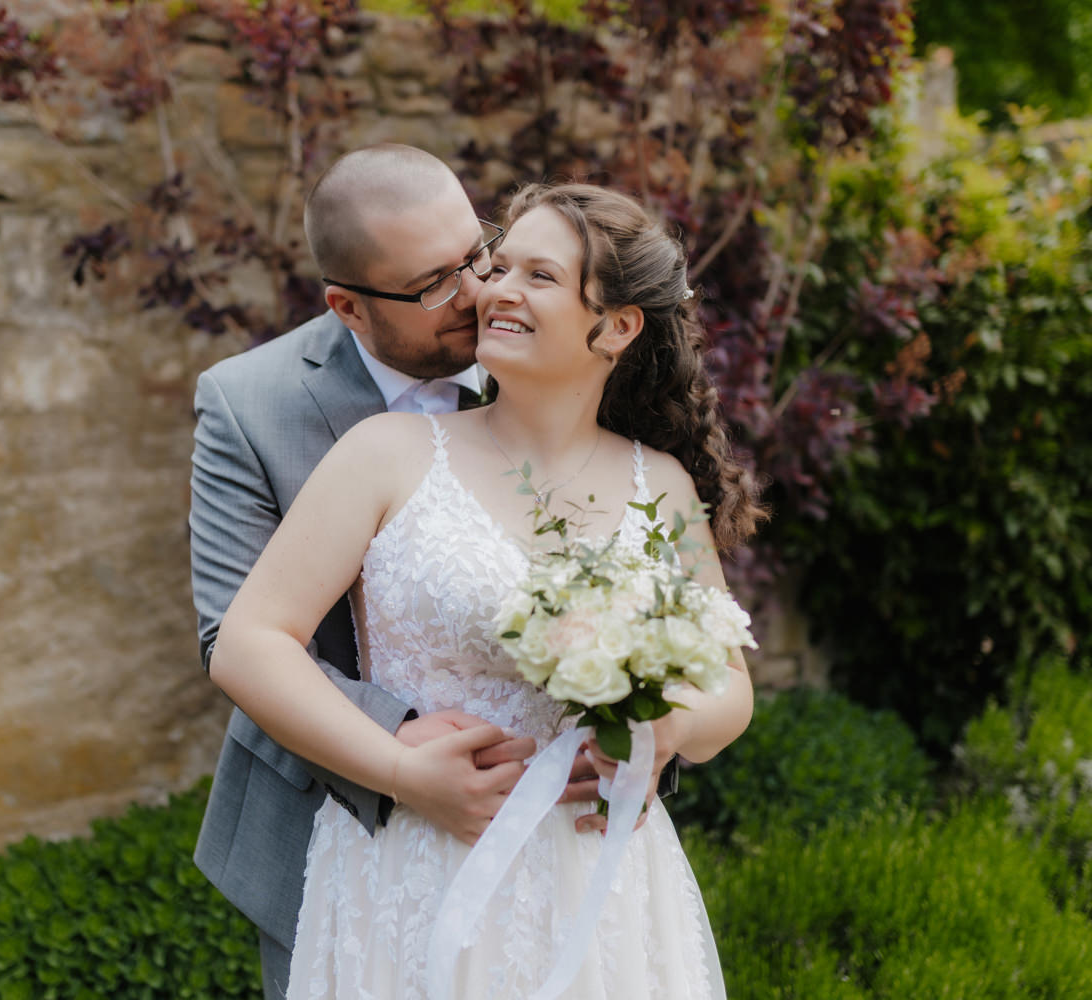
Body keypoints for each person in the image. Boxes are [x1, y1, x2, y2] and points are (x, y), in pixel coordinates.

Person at [210, 181, 765, 997]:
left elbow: (729, 686)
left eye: (539, 276)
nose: (497, 290)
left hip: (597, 871)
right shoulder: (386, 453)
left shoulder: (663, 486)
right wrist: (399, 772)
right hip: (415, 860)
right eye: (498, 267)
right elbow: (248, 644)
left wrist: (663, 732)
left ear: (617, 326)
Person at [191, 145, 600, 999]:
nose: (479, 293)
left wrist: (637, 731)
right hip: (334, 817)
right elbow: (233, 633)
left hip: (563, 821)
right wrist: (399, 746)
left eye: (478, 254)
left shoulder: (549, 354)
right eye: (433, 285)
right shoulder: (247, 404)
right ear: (347, 305)